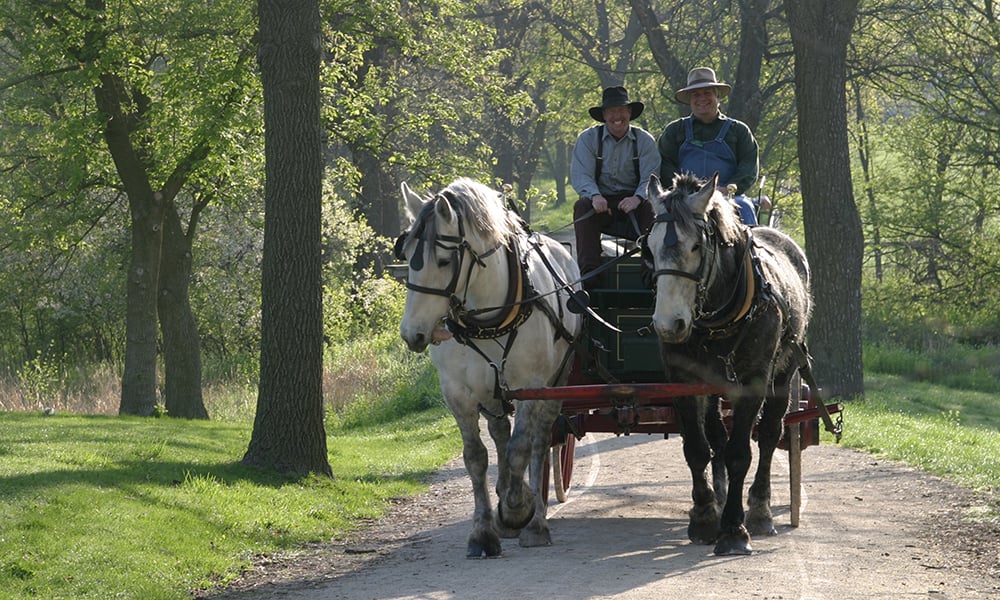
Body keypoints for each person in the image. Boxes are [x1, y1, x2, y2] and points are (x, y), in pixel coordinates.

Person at [570, 86, 661, 284]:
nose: (617, 116)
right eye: (611, 111)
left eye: (621, 110)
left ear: (629, 113)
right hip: (601, 203)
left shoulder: (644, 141)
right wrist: (594, 195)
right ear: (604, 115)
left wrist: (637, 198)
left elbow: (651, 179)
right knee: (582, 207)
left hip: (635, 202)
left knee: (652, 208)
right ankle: (590, 274)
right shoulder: (588, 139)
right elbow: (581, 175)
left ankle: (651, 272)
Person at [657, 67, 770, 225]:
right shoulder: (675, 130)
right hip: (685, 199)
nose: (701, 98)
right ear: (690, 99)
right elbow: (665, 164)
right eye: (696, 94)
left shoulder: (738, 131)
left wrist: (727, 189)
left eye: (707, 93)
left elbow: (748, 167)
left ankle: (752, 250)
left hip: (729, 197)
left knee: (745, 207)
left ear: (718, 96)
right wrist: (683, 192)